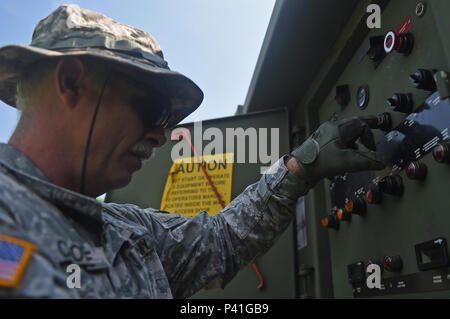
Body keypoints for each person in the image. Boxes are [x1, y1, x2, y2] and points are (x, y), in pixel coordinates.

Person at [0, 5, 385, 298]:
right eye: (153, 110)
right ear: (70, 83)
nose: (160, 136)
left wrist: (301, 166)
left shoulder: (127, 231)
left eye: (168, 121)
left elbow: (222, 240)